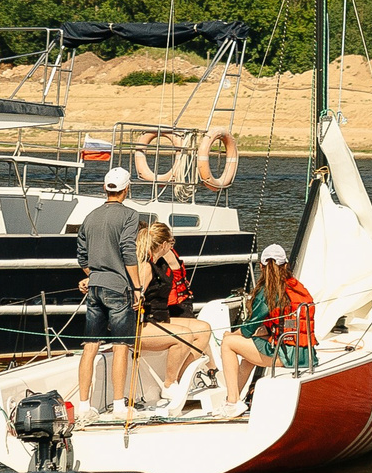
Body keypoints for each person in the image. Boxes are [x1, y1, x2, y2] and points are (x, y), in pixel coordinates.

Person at [73, 167, 140, 410]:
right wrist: (137, 287)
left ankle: (83, 406)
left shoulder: (90, 216)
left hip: (95, 289)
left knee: (90, 347)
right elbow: (128, 250)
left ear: (105, 188)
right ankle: (119, 405)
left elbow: (82, 256)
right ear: (127, 189)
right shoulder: (130, 215)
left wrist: (93, 276)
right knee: (121, 346)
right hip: (118, 287)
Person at [133, 220, 214, 411]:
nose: (172, 245)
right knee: (185, 335)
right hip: (144, 323)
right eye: (171, 242)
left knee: (203, 329)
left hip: (159, 318)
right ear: (162, 244)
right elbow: (134, 296)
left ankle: (180, 377)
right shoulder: (145, 267)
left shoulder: (158, 262)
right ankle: (169, 385)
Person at [220, 243, 315, 404]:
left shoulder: (267, 291)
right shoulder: (295, 287)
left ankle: (231, 402)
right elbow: (285, 324)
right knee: (248, 358)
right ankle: (235, 400)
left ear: (261, 267)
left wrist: (230, 335)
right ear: (286, 265)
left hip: (287, 356)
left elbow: (247, 330)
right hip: (306, 355)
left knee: (228, 344)